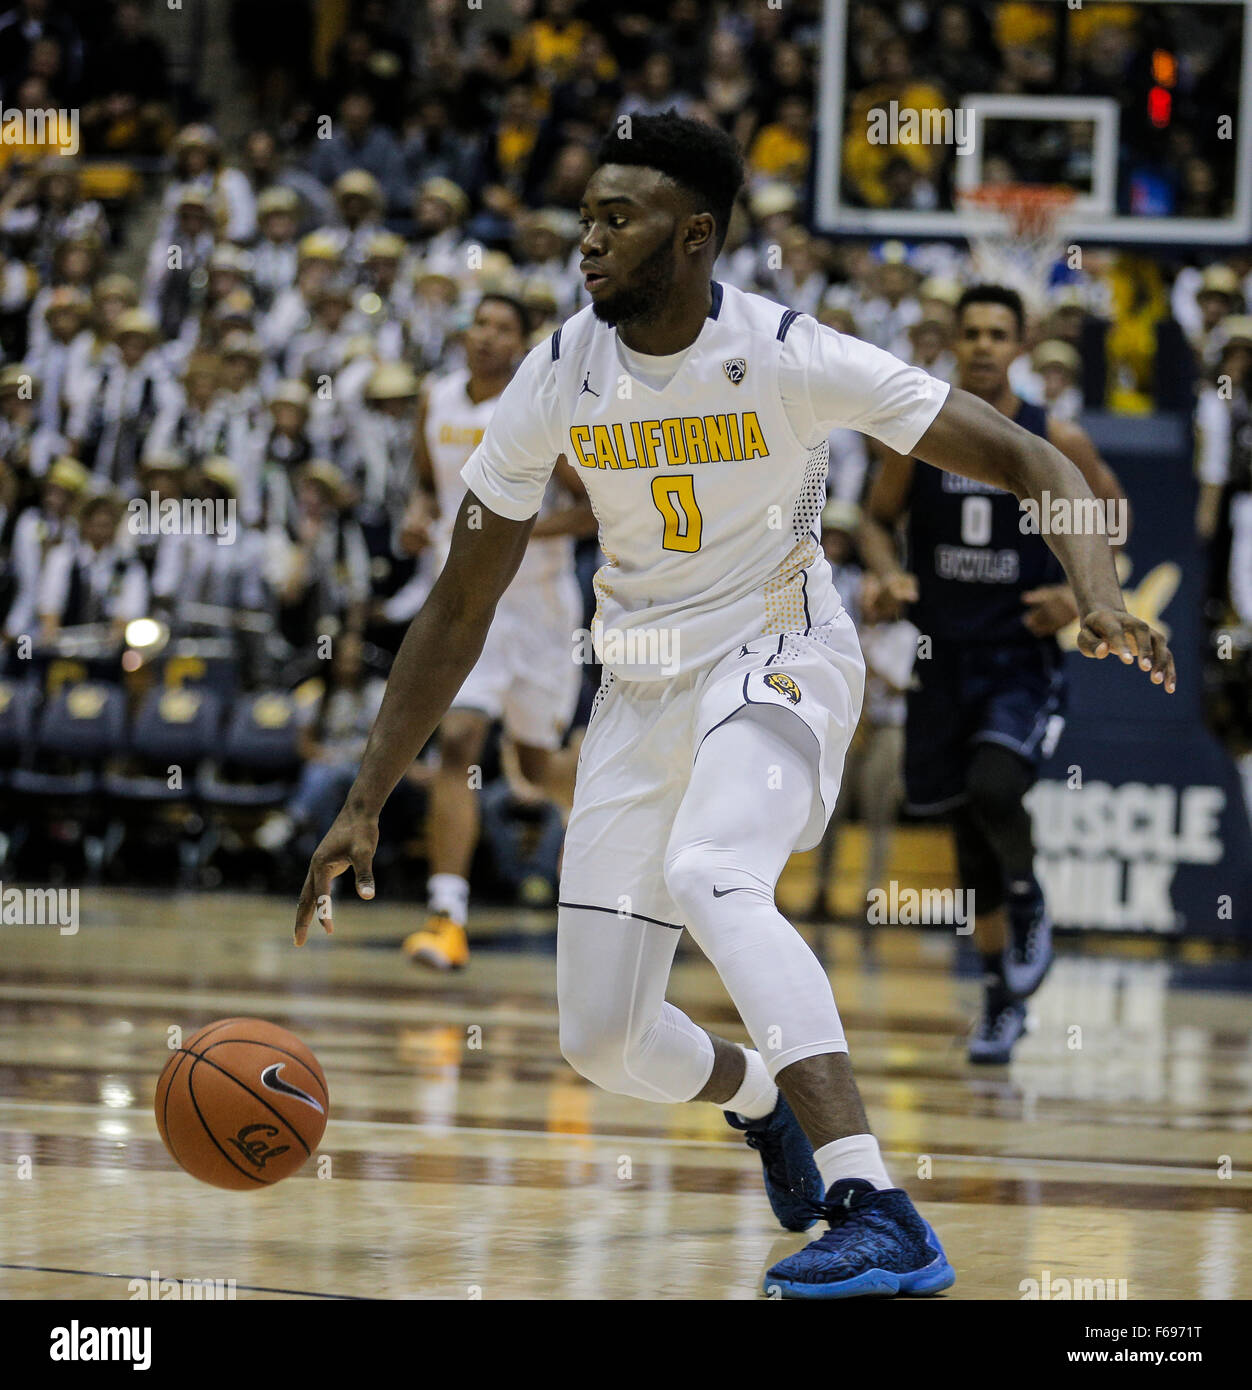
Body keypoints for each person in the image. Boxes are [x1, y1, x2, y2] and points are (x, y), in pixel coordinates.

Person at [293, 114, 1174, 1300]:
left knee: (716, 869)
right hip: (639, 684)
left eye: (619, 220)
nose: (589, 243)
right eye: (586, 218)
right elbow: (460, 601)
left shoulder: (791, 352)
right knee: (600, 1038)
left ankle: (879, 1205)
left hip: (781, 646)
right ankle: (766, 1102)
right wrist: (364, 796)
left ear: (695, 236)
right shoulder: (559, 373)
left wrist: (1100, 595)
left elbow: (1035, 462)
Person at [860, 284, 1128, 1065]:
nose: (981, 345)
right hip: (941, 658)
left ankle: (1031, 898)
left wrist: (1079, 596)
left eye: (996, 333)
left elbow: (1109, 515)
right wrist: (889, 574)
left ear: (1021, 343)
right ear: (952, 342)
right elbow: (876, 520)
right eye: (969, 332)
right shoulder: (915, 434)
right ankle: (1000, 1001)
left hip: (1018, 656)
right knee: (968, 841)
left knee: (995, 788)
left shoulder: (1056, 434)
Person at [402, 293, 592, 970]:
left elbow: (596, 508)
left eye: (503, 329)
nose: (487, 336)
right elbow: (426, 483)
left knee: (536, 767)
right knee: (458, 743)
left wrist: (522, 530)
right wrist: (418, 515)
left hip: (538, 610)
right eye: (479, 323)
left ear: (521, 345)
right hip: (466, 602)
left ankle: (603, 816)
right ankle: (446, 917)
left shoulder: (540, 406)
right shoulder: (436, 399)